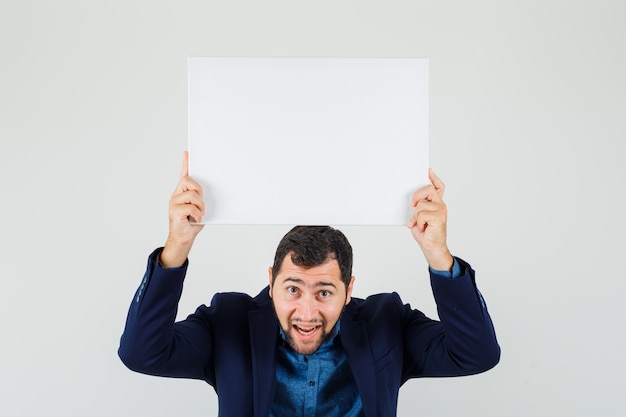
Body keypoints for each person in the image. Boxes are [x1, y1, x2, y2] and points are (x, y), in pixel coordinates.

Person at [118, 152, 500, 417]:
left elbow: (476, 354)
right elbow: (141, 353)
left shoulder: (387, 323)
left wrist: (438, 254)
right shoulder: (227, 321)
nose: (306, 312)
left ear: (349, 290)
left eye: (324, 292)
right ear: (271, 282)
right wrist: (178, 247)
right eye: (293, 289)